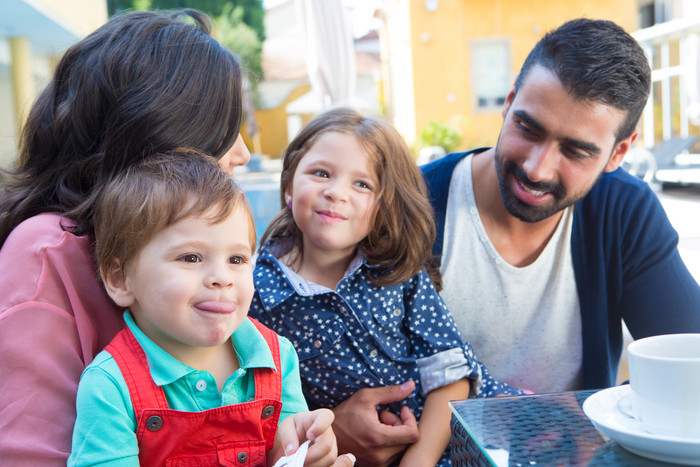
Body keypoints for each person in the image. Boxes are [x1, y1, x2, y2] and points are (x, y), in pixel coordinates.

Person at [0, 10, 251, 464]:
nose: (243, 152)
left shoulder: (211, 246)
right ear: (161, 131)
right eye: (224, 128)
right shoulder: (47, 252)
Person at [421, 18, 700, 395]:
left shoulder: (623, 211)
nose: (537, 168)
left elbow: (690, 363)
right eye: (529, 129)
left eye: (575, 151)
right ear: (509, 102)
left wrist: (600, 419)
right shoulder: (412, 202)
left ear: (619, 152)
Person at [250, 108, 519, 467]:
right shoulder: (254, 292)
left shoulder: (396, 271)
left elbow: (452, 375)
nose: (336, 192)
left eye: (362, 184)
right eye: (320, 173)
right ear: (288, 186)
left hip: (462, 435)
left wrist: (417, 462)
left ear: (382, 207)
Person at [68, 151, 352, 467]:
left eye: (237, 260)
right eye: (191, 257)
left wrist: (304, 452)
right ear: (120, 278)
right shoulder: (110, 387)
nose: (222, 278)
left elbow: (283, 454)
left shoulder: (276, 358)